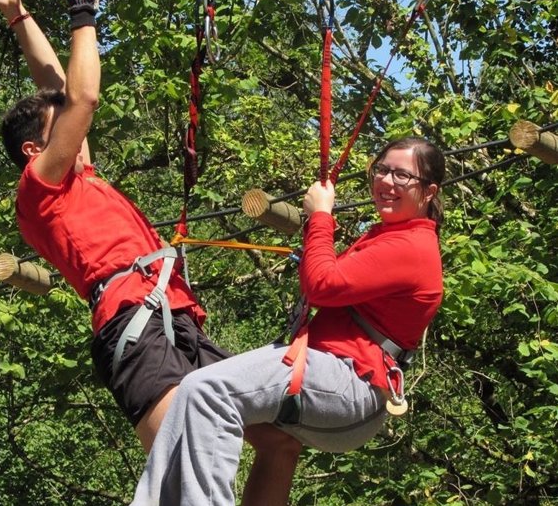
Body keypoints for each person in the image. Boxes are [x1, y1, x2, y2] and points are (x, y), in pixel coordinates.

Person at [0, 0, 301, 504]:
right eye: (60, 128)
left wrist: (17, 15)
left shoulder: (78, 179)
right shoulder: (40, 190)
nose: (77, 132)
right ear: (34, 151)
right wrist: (82, 8)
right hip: (132, 325)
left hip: (178, 320)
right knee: (186, 467)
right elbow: (82, 97)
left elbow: (60, 87)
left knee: (278, 441)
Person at [130, 136, 446, 506]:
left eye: (402, 175)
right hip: (346, 391)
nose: (387, 182)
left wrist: (321, 217)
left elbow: (322, 285)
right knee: (276, 443)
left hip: (349, 381)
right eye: (382, 169)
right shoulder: (390, 237)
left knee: (206, 391)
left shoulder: (411, 247)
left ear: (428, 191)